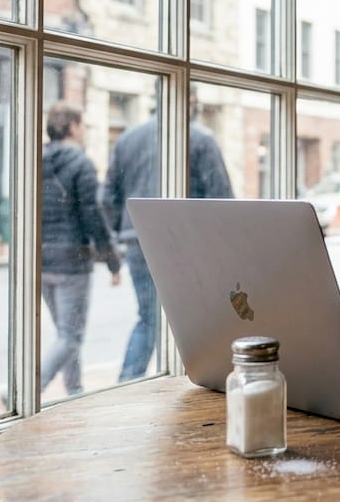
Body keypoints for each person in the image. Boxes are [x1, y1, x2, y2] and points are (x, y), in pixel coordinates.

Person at [100, 86, 234, 381]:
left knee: (149, 320)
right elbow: (221, 198)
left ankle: (128, 382)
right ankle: (199, 379)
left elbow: (108, 196)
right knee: (194, 321)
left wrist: (119, 234)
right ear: (189, 101)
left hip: (136, 240)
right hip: (184, 245)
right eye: (193, 98)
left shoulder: (127, 140)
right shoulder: (201, 139)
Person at [40, 102, 122, 397]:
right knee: (70, 336)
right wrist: (113, 262)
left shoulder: (36, 160)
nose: (85, 131)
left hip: (41, 260)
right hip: (71, 262)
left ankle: (74, 392)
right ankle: (27, 387)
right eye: (84, 125)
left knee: (65, 335)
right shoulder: (81, 164)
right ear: (72, 127)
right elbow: (93, 217)